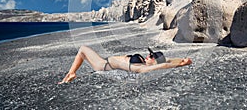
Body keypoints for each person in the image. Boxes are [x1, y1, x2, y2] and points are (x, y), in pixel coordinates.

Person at [59, 46, 192, 84]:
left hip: (103, 65)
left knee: (82, 49)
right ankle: (71, 74)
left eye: (151, 56)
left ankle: (71, 74)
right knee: (82, 50)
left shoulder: (142, 67)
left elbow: (161, 65)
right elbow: (165, 60)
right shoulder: (147, 62)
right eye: (150, 53)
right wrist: (181, 60)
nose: (148, 56)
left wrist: (179, 66)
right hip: (105, 61)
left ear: (154, 61)